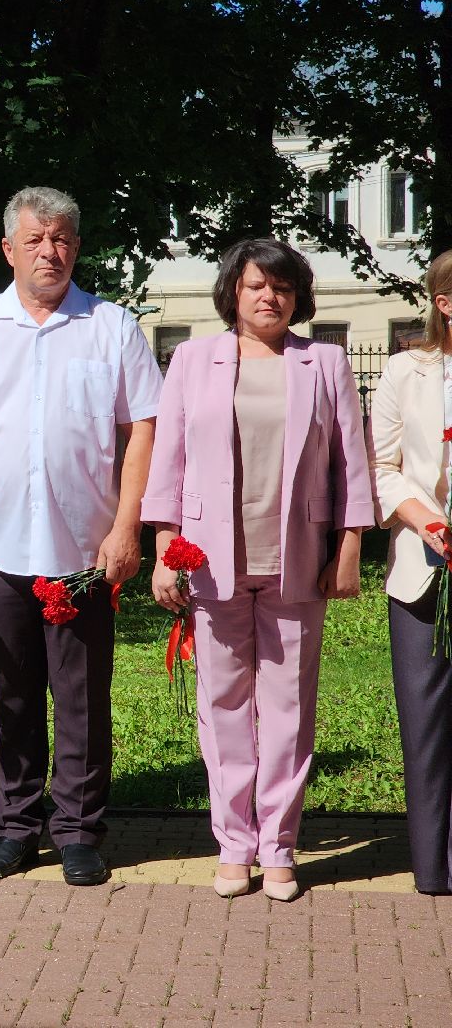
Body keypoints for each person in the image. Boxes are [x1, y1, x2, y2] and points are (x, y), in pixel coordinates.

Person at [0, 187, 161, 887]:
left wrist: (128, 529)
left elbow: (142, 430)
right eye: (34, 240)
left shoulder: (112, 327)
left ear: (77, 246)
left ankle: (78, 829)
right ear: (8, 249)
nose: (49, 252)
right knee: (11, 691)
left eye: (61, 239)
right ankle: (16, 825)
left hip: (84, 550)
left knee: (83, 696)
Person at [144, 238, 371, 902]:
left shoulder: (323, 361)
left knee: (287, 708)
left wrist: (350, 545)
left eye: (282, 287)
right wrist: (164, 549)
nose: (269, 297)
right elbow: (169, 463)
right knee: (222, 705)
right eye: (255, 286)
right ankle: (234, 844)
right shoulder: (191, 359)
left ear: (297, 297)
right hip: (212, 563)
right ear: (232, 294)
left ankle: (279, 846)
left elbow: (350, 462)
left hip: (296, 559)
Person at [370, 247, 452, 897]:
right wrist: (427, 521)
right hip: (423, 570)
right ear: (445, 302)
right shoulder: (405, 371)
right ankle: (434, 866)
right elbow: (381, 465)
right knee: (426, 726)